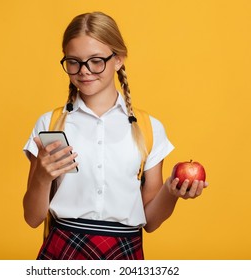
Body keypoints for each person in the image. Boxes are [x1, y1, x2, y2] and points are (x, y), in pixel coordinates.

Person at [23, 11, 207, 260]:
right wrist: (43, 178)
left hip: (124, 251)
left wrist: (172, 191)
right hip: (63, 249)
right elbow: (32, 218)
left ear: (118, 59)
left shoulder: (149, 128)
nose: (84, 71)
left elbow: (150, 222)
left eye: (96, 61)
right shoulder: (51, 124)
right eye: (73, 61)